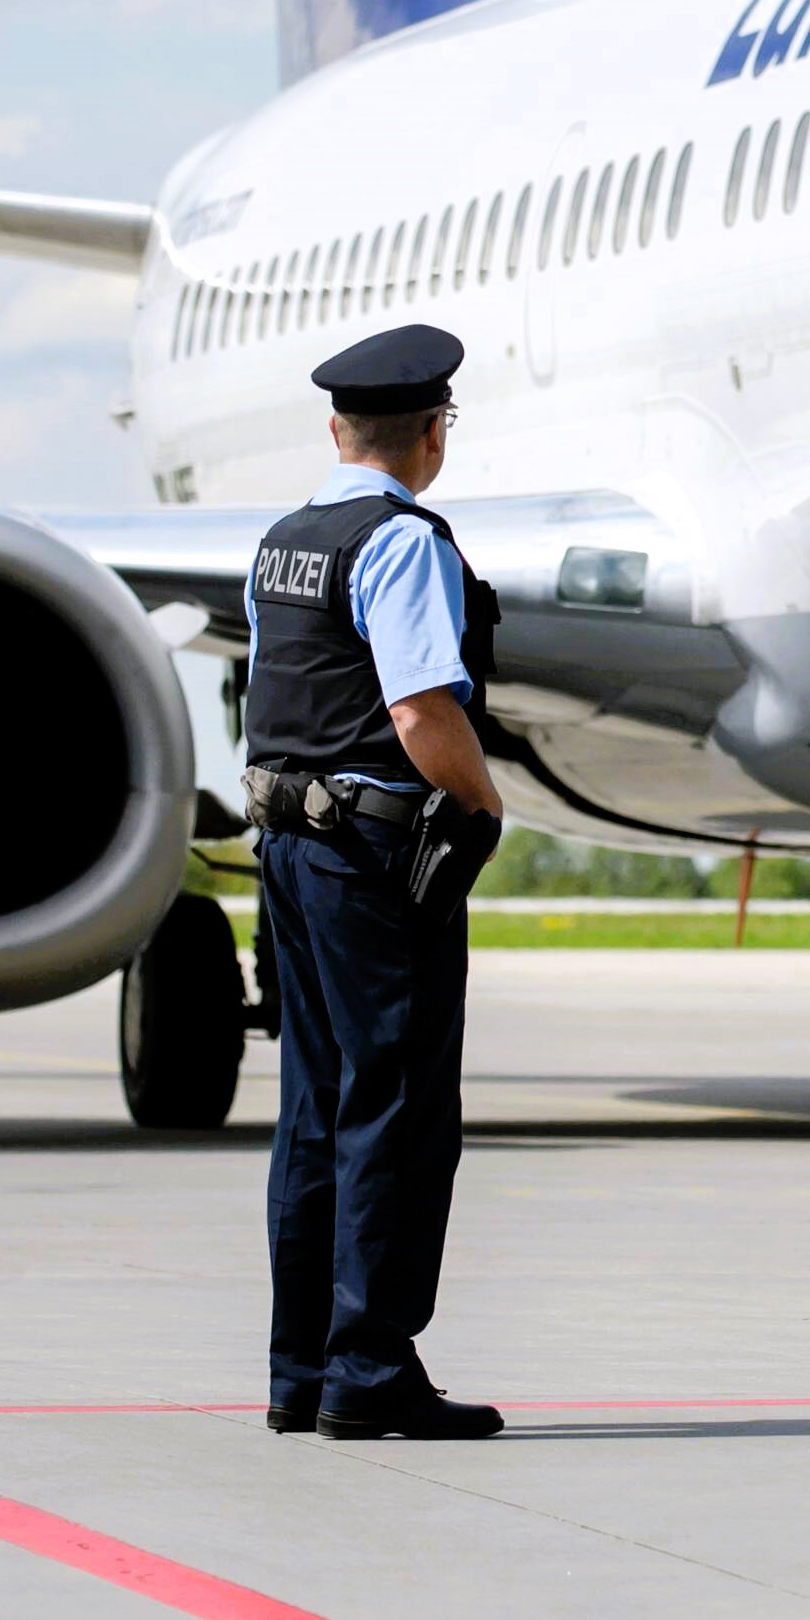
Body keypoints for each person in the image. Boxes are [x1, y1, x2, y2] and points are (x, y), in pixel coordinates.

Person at [243, 323, 509, 1442]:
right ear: (433, 435)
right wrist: (485, 805)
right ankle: (371, 1366)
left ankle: (301, 1367)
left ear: (338, 429)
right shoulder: (402, 544)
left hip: (289, 848)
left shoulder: (284, 540)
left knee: (314, 1110)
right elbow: (418, 708)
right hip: (369, 858)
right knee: (395, 1110)